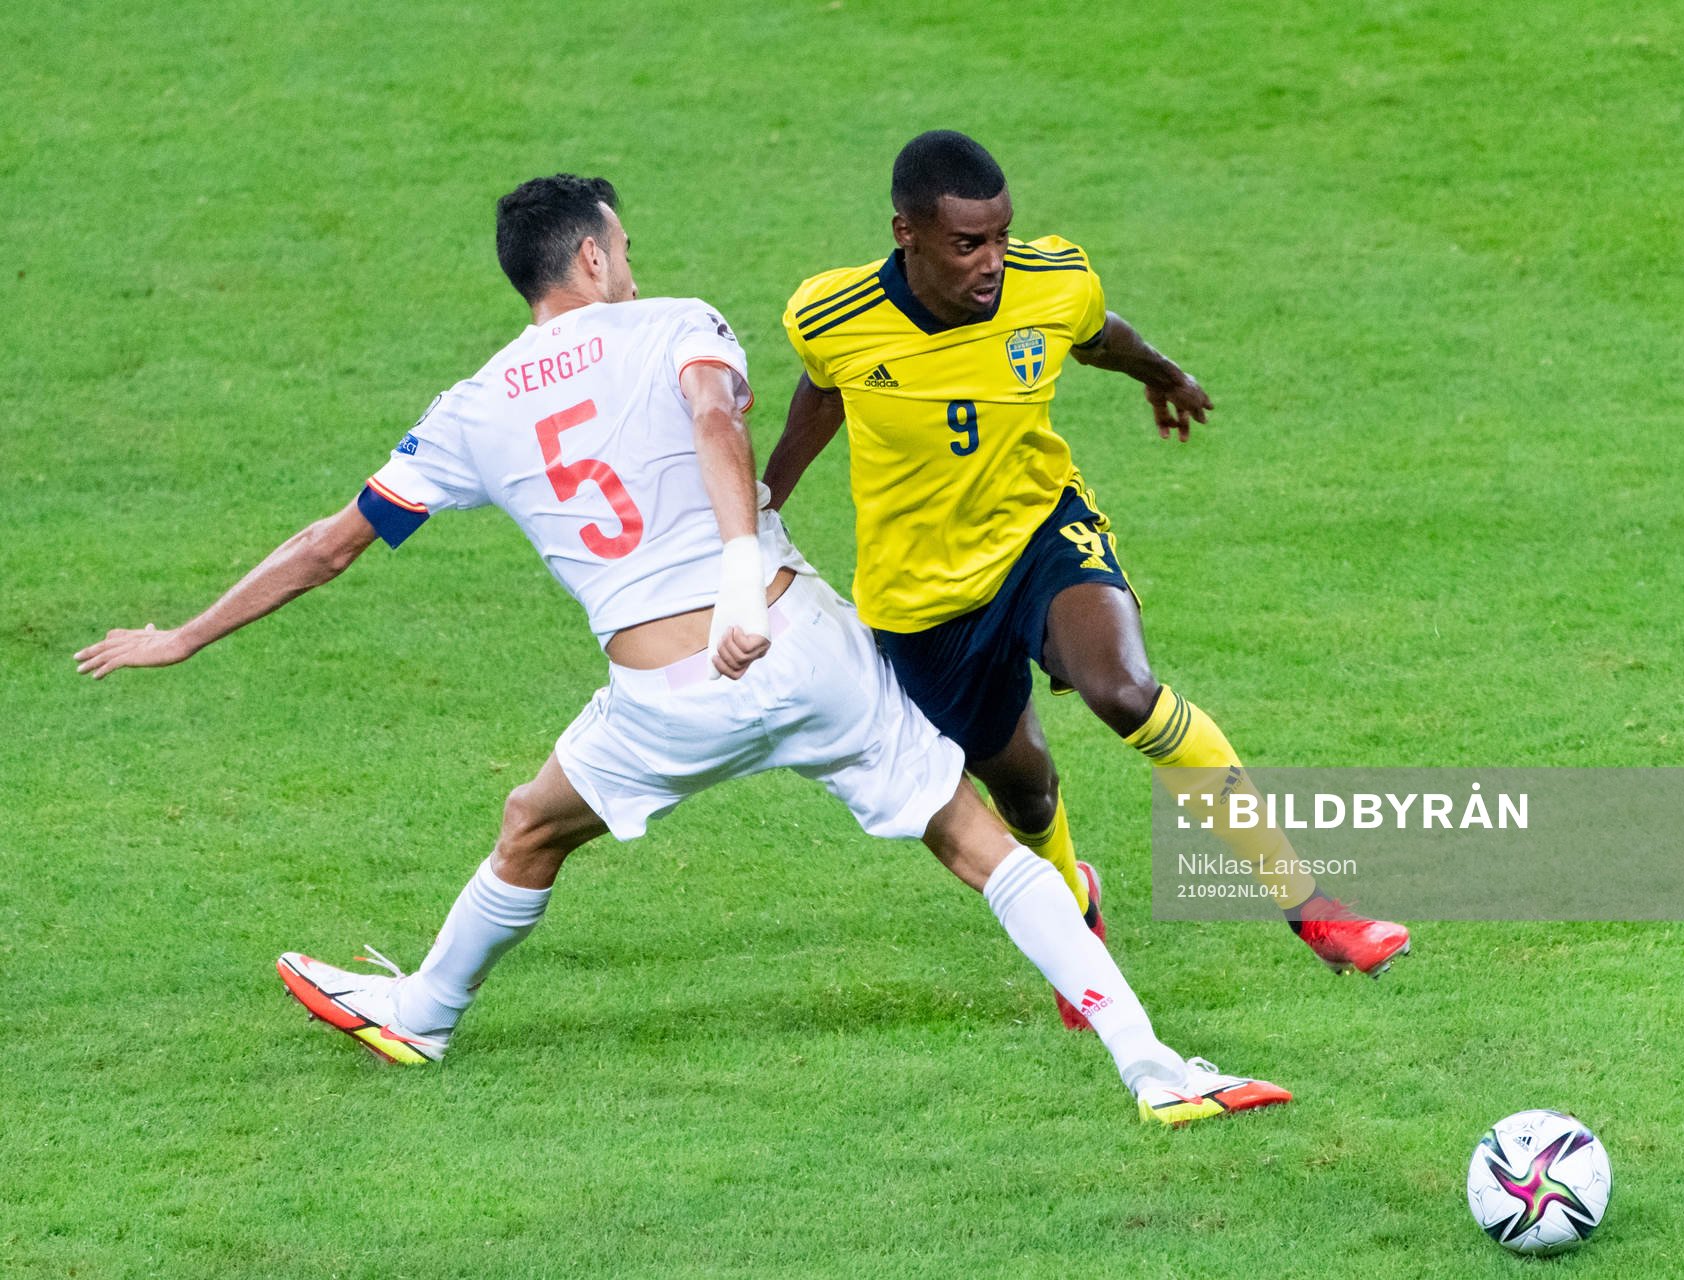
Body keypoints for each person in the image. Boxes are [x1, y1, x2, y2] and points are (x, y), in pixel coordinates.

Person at [75, 173, 1288, 1126]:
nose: (631, 261)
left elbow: (331, 544)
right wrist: (736, 581)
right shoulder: (676, 323)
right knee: (972, 838)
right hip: (794, 639)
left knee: (531, 825)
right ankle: (1155, 1066)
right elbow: (719, 424)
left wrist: (182, 635)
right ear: (595, 255)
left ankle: (427, 1010)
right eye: (624, 243)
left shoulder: (472, 406)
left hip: (661, 692)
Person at [765, 132, 1410, 1026]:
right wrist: (757, 514)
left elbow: (1102, 339)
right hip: (920, 597)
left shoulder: (1051, 279)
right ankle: (1074, 908)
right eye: (967, 244)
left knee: (1124, 692)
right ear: (905, 232)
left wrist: (1166, 375)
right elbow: (822, 393)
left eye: (1000, 236)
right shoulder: (830, 314)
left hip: (1040, 530)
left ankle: (1310, 908)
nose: (992, 261)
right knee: (1023, 786)